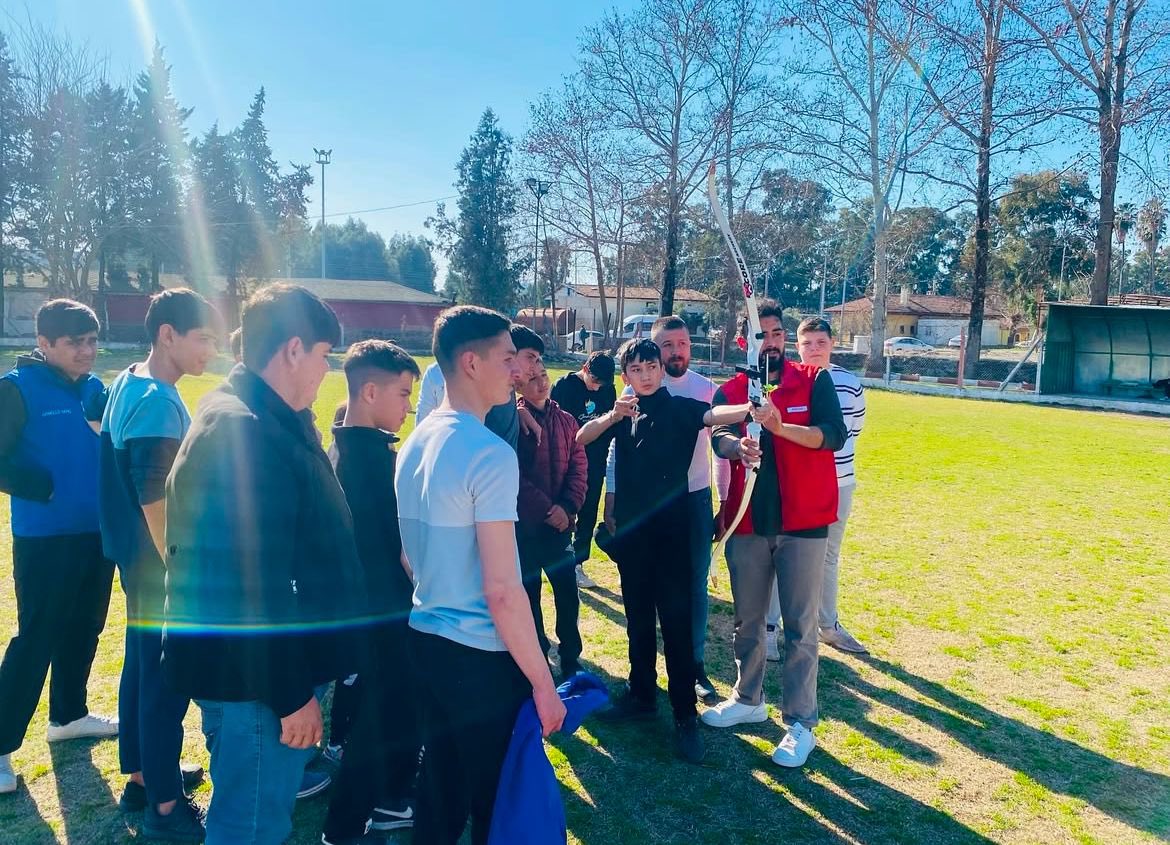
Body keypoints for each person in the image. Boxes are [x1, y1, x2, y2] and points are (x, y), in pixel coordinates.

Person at [163, 284, 368, 845]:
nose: (326, 371)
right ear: (294, 349)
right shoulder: (245, 430)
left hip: (254, 674)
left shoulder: (262, 414)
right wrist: (290, 694)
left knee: (252, 814)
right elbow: (249, 586)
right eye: (325, 356)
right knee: (250, 825)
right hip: (256, 685)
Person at [397, 305, 566, 844]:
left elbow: (408, 558)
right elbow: (503, 591)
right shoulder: (489, 453)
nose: (517, 370)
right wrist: (544, 684)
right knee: (498, 805)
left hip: (426, 639)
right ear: (471, 363)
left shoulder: (414, 442)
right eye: (507, 357)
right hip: (479, 657)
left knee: (440, 792)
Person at [577, 339, 750, 764]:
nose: (646, 375)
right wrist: (613, 415)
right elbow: (582, 438)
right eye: (636, 369)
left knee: (675, 626)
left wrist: (749, 409)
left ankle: (685, 716)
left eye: (651, 366)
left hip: (673, 536)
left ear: (660, 369)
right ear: (626, 376)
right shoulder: (623, 412)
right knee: (638, 620)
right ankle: (641, 696)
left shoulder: (680, 408)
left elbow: (713, 415)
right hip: (633, 538)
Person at [700, 300, 847, 769]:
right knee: (748, 620)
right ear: (744, 342)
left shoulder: (814, 380)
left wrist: (781, 428)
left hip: (803, 524)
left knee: (800, 627)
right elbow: (716, 436)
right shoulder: (732, 390)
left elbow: (832, 435)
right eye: (761, 335)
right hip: (747, 523)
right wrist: (737, 446)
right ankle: (748, 699)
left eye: (778, 333)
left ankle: (801, 722)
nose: (771, 342)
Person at [98, 289, 220, 839]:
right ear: (167, 335)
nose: (211, 351)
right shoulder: (158, 399)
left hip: (133, 558)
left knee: (142, 668)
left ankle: (145, 778)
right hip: (157, 562)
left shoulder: (128, 380)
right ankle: (166, 810)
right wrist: (180, 568)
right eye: (203, 338)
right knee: (164, 681)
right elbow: (153, 495)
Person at [0, 299, 117, 796]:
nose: (86, 351)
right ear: (44, 343)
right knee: (38, 637)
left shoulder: (95, 389)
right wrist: (43, 487)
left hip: (97, 532)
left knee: (86, 626)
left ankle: (68, 716)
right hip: (45, 538)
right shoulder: (15, 388)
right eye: (74, 343)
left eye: (92, 341)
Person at [322, 340, 422, 845]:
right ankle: (343, 826)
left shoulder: (352, 449)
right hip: (381, 610)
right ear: (368, 392)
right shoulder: (370, 463)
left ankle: (393, 798)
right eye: (403, 394)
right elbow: (398, 549)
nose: (409, 407)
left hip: (379, 607)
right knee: (378, 718)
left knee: (398, 706)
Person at [635, 316, 730, 704]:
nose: (677, 352)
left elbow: (721, 450)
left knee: (694, 585)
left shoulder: (707, 390)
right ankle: (645, 676)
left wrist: (724, 501)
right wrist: (613, 499)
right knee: (646, 588)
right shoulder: (635, 387)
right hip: (648, 507)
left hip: (693, 501)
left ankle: (695, 666)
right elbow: (617, 452)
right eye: (668, 345)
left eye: (683, 344)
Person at [794, 316, 868, 654]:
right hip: (799, 483)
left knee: (828, 555)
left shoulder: (850, 383)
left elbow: (853, 429)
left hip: (840, 482)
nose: (814, 350)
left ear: (832, 345)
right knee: (786, 553)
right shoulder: (789, 381)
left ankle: (827, 625)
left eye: (820, 343)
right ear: (798, 347)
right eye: (807, 344)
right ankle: (772, 627)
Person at [516, 360, 588, 682]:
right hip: (527, 529)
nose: (541, 382)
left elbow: (579, 467)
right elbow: (514, 476)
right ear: (518, 385)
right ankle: (538, 655)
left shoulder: (567, 421)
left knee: (567, 595)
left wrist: (568, 507)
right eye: (532, 378)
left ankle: (571, 656)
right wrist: (548, 510)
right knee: (529, 597)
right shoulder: (514, 422)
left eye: (543, 375)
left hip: (560, 529)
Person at [413, 324, 545, 450]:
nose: (534, 368)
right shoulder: (485, 392)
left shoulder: (505, 392)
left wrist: (518, 411)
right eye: (530, 357)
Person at [550, 352, 617, 588]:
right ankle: (560, 559)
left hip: (595, 463)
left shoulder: (608, 390)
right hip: (566, 463)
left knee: (588, 513)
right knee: (565, 510)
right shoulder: (564, 386)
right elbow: (553, 424)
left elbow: (610, 425)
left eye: (602, 384)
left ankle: (578, 564)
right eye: (594, 381)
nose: (597, 388)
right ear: (585, 368)